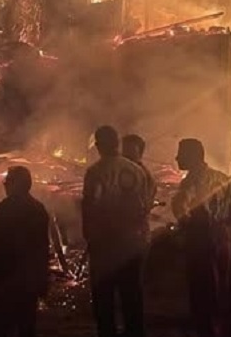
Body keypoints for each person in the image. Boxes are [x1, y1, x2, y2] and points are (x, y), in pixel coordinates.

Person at [82, 125, 149, 337]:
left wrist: (89, 235)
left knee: (104, 299)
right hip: (132, 243)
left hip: (105, 244)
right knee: (132, 296)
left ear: (99, 145)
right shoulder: (137, 171)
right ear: (117, 143)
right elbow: (145, 205)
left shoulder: (95, 172)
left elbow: (89, 206)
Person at [172, 138, 231, 337]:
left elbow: (180, 206)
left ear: (193, 156)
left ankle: (209, 331)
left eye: (181, 153)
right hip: (222, 237)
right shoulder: (220, 176)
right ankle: (230, 328)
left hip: (201, 240)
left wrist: (185, 225)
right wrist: (229, 219)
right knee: (225, 286)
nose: (177, 158)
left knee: (203, 289)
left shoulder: (191, 181)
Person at [0, 166, 50, 337]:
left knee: (2, 328)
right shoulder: (38, 209)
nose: (5, 185)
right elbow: (42, 248)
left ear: (16, 184)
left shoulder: (4, 209)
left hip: (5, 280)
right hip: (28, 281)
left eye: (8, 181)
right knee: (26, 327)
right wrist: (42, 280)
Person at [122, 134, 157, 213]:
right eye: (124, 152)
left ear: (140, 154)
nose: (126, 156)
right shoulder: (116, 171)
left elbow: (145, 203)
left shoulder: (145, 176)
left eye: (131, 152)